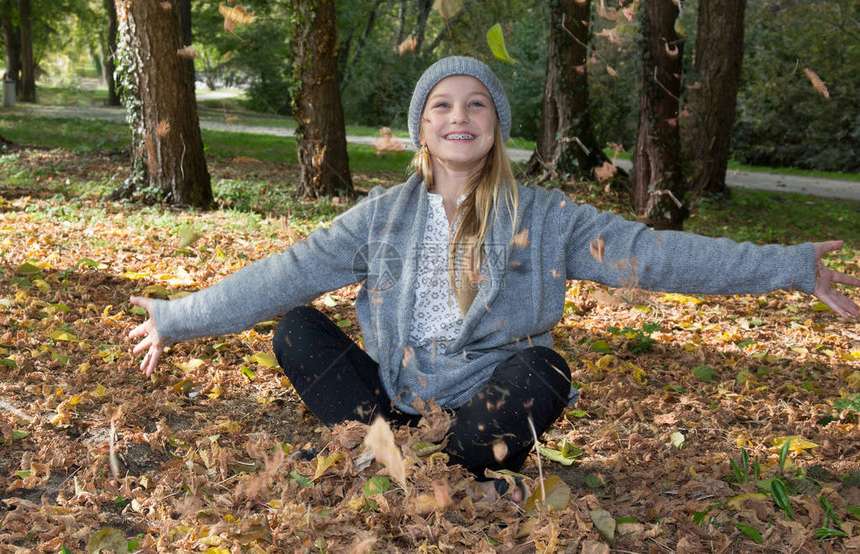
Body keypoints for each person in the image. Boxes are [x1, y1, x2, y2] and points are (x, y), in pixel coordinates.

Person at [129, 56, 859, 497]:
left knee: (548, 370)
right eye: (441, 104)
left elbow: (654, 254)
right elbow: (283, 276)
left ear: (495, 126)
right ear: (422, 127)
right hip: (391, 400)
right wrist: (176, 316)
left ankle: (442, 472)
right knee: (295, 328)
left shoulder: (547, 218)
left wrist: (787, 267)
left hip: (481, 410)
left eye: (476, 103)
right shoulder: (381, 217)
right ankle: (394, 455)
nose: (459, 115)